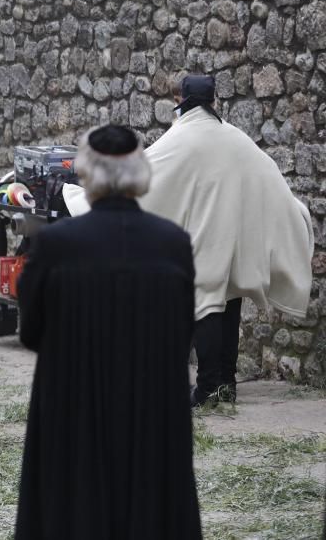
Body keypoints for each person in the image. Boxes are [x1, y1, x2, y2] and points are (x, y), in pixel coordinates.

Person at [63, 75, 314, 407]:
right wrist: (294, 211)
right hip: (236, 241)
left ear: (183, 102)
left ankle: (208, 388)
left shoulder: (183, 136)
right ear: (212, 101)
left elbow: (148, 169)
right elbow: (267, 172)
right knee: (230, 304)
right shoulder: (234, 137)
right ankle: (226, 383)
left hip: (207, 240)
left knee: (206, 304)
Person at [15, 125, 202, 539]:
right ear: (141, 171)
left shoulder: (56, 244)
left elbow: (30, 331)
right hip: (152, 411)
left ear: (86, 173)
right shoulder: (172, 243)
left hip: (74, 409)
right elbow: (184, 332)